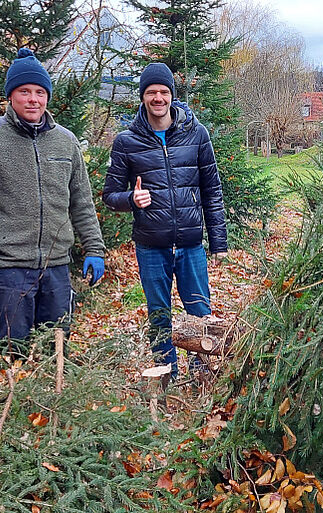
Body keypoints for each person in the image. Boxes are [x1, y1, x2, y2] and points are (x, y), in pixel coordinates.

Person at [0, 48, 106, 353]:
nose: (33, 99)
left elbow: (82, 203)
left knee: (56, 350)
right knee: (12, 352)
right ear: (11, 96)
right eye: (24, 91)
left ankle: (55, 396)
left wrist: (95, 249)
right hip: (8, 269)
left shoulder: (66, 141)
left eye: (39, 92)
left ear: (47, 96)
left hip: (57, 266)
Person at [102, 62, 227, 378]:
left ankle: (203, 375)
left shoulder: (196, 134)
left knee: (200, 314)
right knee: (159, 315)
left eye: (163, 91)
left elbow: (212, 189)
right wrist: (131, 199)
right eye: (151, 92)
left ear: (172, 94)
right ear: (143, 96)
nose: (158, 98)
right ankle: (165, 379)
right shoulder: (127, 141)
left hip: (190, 246)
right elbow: (109, 194)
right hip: (151, 246)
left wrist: (218, 242)